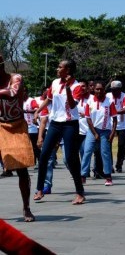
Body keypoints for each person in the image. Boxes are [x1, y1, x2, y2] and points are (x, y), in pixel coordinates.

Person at [33, 59, 85, 205]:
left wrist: (68, 87)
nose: (57, 69)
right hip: (55, 123)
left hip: (69, 124)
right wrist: (37, 110)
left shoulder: (77, 86)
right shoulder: (55, 82)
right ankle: (39, 189)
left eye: (60, 67)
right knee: (44, 155)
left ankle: (80, 192)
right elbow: (48, 99)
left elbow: (73, 104)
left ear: (67, 70)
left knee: (70, 158)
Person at [0, 53, 36, 222]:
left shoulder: (16, 78)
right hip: (0, 126)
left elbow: (12, 93)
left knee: (22, 169)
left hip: (17, 126)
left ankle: (26, 207)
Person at [81, 81, 117, 186]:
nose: (99, 91)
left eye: (101, 89)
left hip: (105, 131)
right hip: (93, 130)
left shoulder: (109, 102)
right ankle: (83, 176)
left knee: (105, 153)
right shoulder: (90, 101)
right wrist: (94, 133)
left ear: (104, 91)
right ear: (94, 90)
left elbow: (115, 119)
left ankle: (108, 176)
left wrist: (112, 133)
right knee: (87, 151)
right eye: (97, 89)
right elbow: (88, 119)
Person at [107, 80, 125, 173]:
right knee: (108, 144)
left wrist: (112, 111)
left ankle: (119, 165)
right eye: (112, 89)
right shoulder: (107, 96)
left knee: (121, 145)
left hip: (122, 124)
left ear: (120, 89)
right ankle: (110, 165)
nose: (113, 91)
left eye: (115, 90)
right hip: (109, 124)